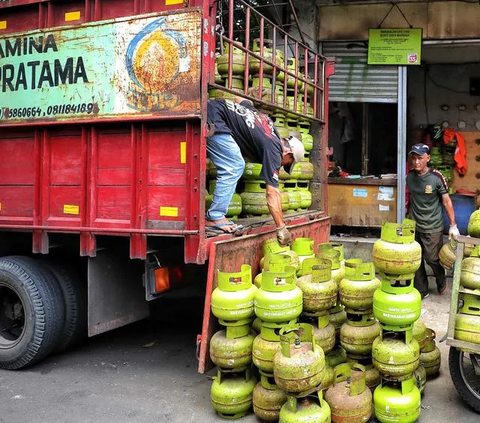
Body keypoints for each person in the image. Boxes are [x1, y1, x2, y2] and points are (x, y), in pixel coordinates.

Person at [206, 97, 305, 246]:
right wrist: (281, 227)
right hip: (214, 118)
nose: (280, 166)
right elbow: (272, 193)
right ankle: (215, 216)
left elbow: (243, 101)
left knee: (234, 161)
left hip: (212, 108)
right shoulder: (274, 152)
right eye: (287, 164)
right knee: (234, 165)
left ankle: (216, 214)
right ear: (288, 154)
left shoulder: (267, 124)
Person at [406, 143, 460, 299]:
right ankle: (421, 290)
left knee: (432, 258)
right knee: (416, 259)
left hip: (433, 226)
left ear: (428, 158)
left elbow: (447, 201)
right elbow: (411, 200)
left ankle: (441, 281)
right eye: (414, 158)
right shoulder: (409, 177)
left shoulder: (436, 177)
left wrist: (453, 226)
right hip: (414, 225)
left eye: (420, 158)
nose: (416, 162)